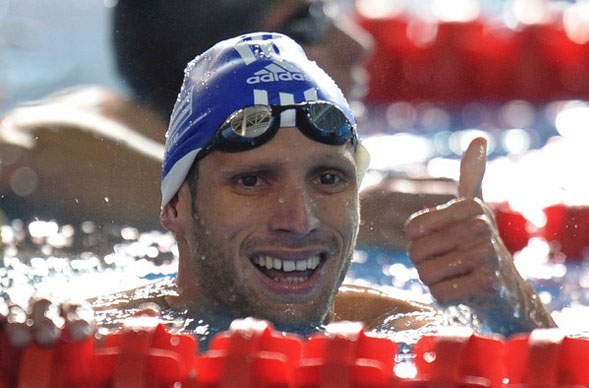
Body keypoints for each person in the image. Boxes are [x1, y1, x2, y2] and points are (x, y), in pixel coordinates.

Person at [1, 32, 556, 348]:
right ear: (174, 206)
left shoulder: (392, 328)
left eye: (330, 179)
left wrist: (511, 303)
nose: (300, 218)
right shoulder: (90, 333)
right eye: (252, 180)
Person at [0, 0, 454, 248]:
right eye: (308, 21)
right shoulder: (108, 121)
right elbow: (24, 154)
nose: (359, 44)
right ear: (218, 60)